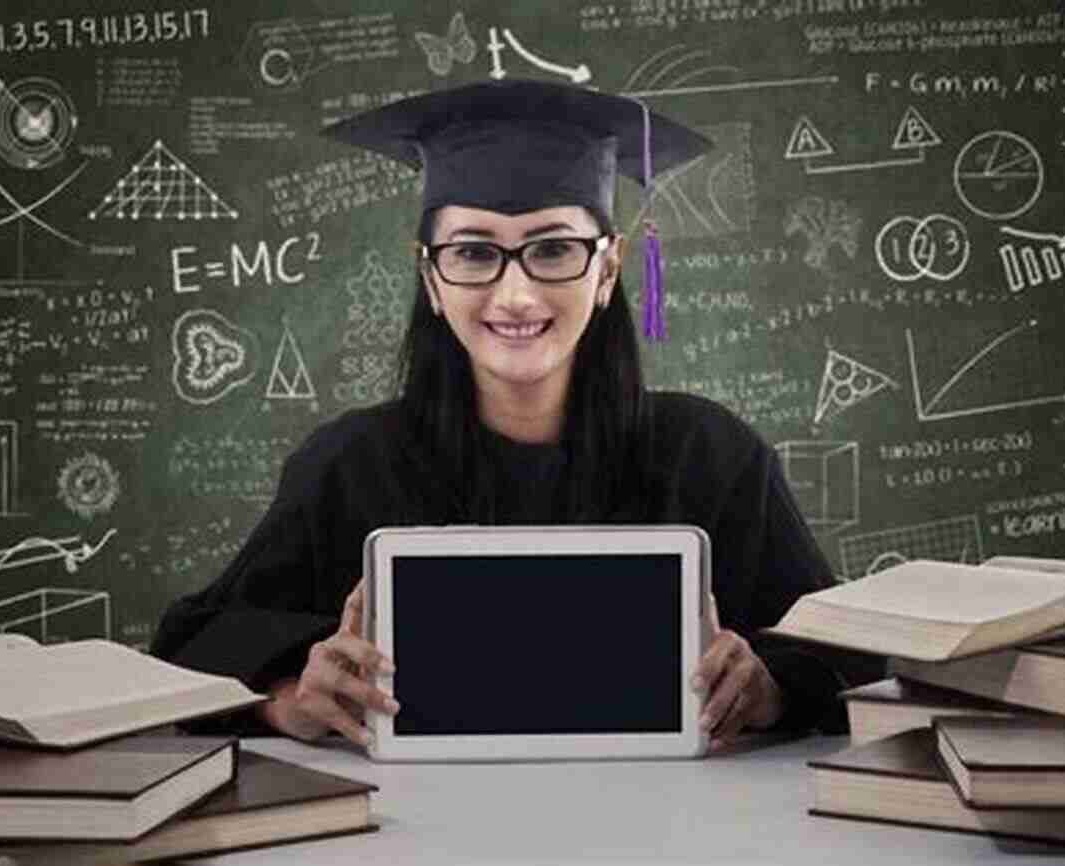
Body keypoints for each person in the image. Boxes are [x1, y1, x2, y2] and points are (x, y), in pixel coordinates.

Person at [152, 79, 879, 750]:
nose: (517, 296)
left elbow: (847, 657)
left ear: (609, 268)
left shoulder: (712, 458)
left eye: (554, 249)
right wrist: (285, 701)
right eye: (474, 253)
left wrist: (769, 691)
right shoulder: (350, 464)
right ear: (430, 275)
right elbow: (195, 647)